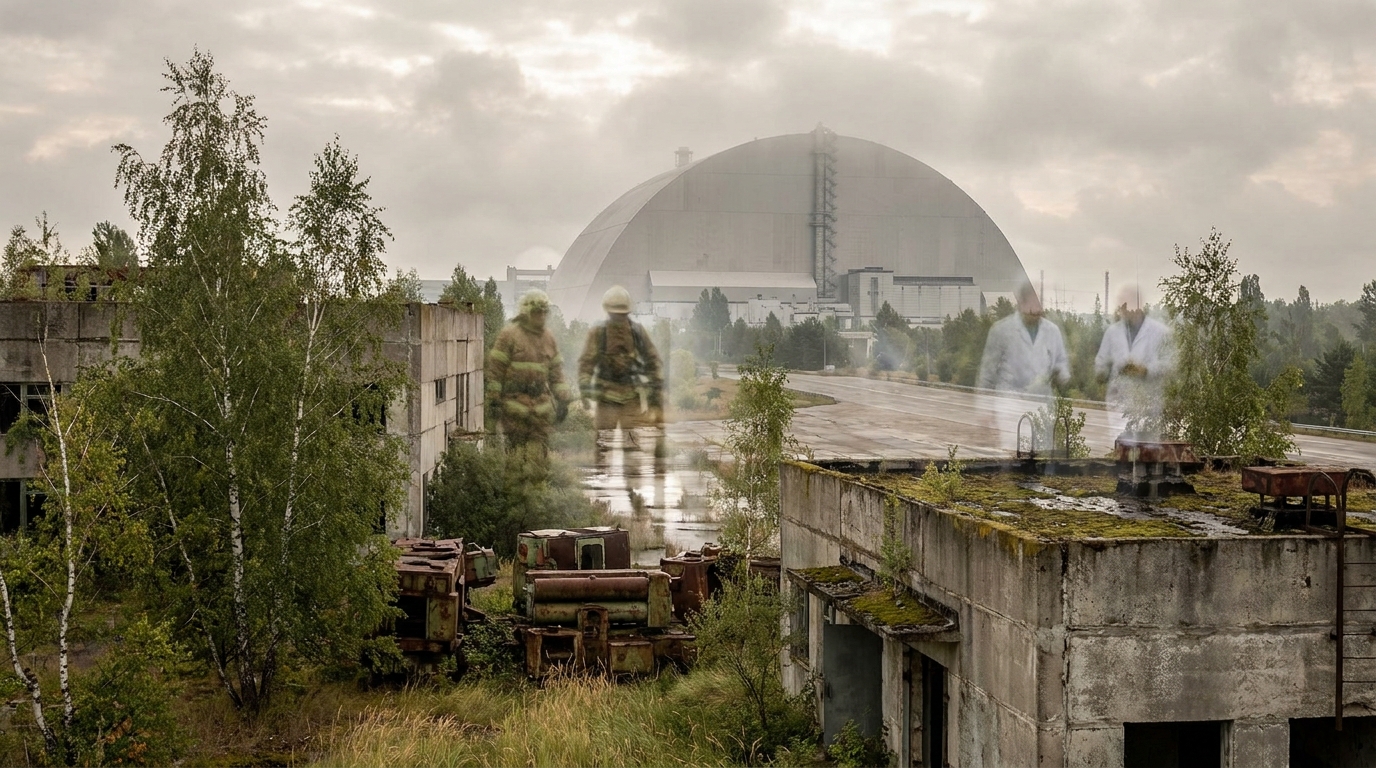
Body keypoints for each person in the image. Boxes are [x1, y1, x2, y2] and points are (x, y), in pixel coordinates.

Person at [978, 281, 1071, 452]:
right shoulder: (1001, 330)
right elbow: (987, 373)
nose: (1036, 308)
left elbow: (1062, 364)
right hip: (1011, 404)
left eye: (1039, 302)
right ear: (1021, 303)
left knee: (1041, 456)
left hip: (1042, 405)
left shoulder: (1052, 331)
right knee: (1014, 455)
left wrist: (1060, 376)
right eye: (1032, 303)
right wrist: (985, 410)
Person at [578, 285, 665, 459]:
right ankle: (602, 474)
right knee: (602, 449)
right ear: (608, 312)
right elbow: (586, 363)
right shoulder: (598, 333)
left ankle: (631, 476)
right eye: (615, 314)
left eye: (621, 315)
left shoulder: (636, 332)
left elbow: (653, 361)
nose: (618, 318)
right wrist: (585, 389)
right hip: (606, 400)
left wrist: (655, 392)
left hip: (631, 398)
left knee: (632, 448)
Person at [485, 289, 574, 459]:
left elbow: (557, 373)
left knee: (539, 459)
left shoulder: (548, 338)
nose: (541, 316)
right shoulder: (509, 335)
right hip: (514, 406)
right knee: (516, 457)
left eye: (544, 312)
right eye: (537, 312)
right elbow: (496, 371)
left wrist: (563, 399)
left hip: (541, 407)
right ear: (526, 312)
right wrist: (494, 400)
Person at [1095, 285, 1173, 439]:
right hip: (1119, 404)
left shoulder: (1160, 332)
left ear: (1138, 305)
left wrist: (1146, 370)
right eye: (1121, 305)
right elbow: (1100, 363)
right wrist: (1106, 370)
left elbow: (1171, 364)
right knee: (1121, 447)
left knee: (1147, 448)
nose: (1124, 309)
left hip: (1149, 405)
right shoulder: (1113, 332)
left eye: (1127, 304)